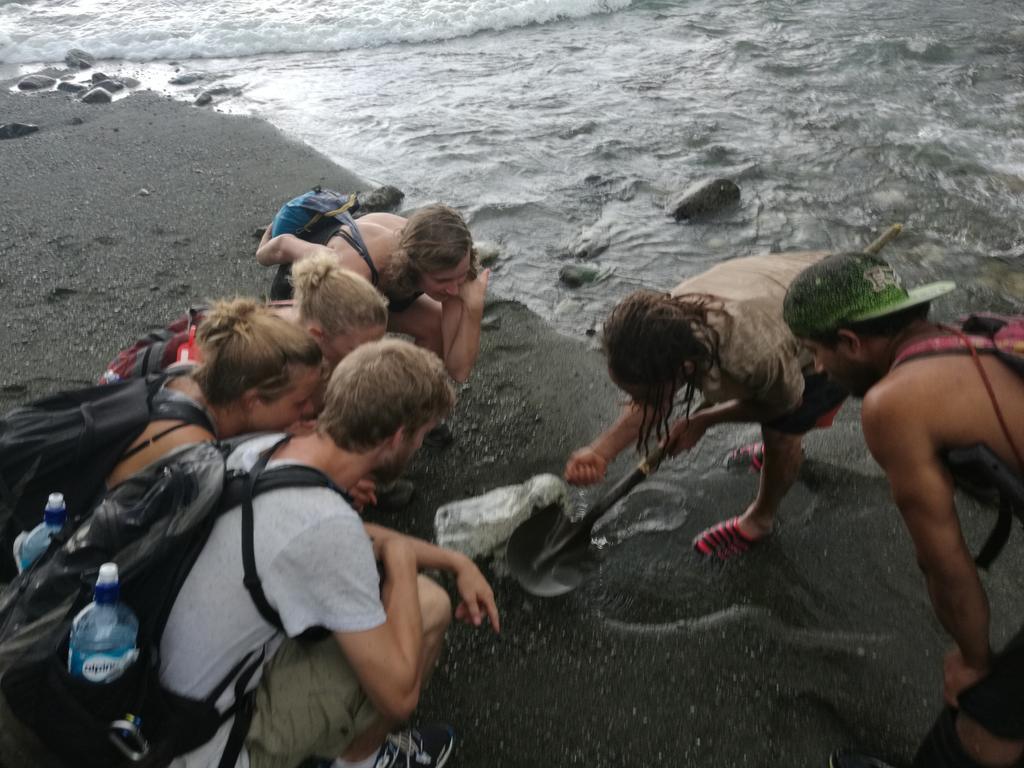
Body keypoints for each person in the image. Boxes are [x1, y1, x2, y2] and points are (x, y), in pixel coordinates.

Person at [158, 338, 500, 768]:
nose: (417, 450)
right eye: (421, 437)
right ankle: (360, 761)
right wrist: (403, 559)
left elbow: (351, 534)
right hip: (215, 748)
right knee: (429, 603)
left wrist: (455, 560)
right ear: (397, 438)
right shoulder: (322, 524)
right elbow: (399, 698)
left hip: (166, 704)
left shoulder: (260, 451)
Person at [782, 253, 1023, 768]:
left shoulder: (893, 402)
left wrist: (972, 660)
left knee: (985, 728)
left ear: (849, 341)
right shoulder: (975, 339)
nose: (819, 369)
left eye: (816, 352)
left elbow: (944, 561)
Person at [563, 251, 848, 560]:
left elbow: (786, 405)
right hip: (780, 289)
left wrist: (704, 421)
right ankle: (771, 461)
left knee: (781, 434)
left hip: (833, 318)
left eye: (648, 394)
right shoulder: (664, 323)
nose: (643, 401)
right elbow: (651, 401)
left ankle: (761, 519)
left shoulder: (753, 355)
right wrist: (601, 451)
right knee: (763, 402)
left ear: (685, 369)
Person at [256, 203, 489, 383]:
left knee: (434, 325)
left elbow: (458, 371)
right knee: (339, 354)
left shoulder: (455, 262)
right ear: (413, 267)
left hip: (384, 290)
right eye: (443, 281)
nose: (454, 289)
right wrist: (261, 253)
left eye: (459, 278)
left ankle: (411, 398)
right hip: (307, 291)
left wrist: (473, 308)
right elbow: (283, 245)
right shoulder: (355, 263)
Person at [106, 298, 324, 487]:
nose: (310, 409)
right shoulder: (195, 458)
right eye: (300, 402)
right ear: (253, 402)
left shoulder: (186, 377)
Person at [101, 255, 387, 381]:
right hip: (136, 387)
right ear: (316, 335)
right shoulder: (267, 355)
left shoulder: (305, 308)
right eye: (357, 349)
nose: (370, 357)